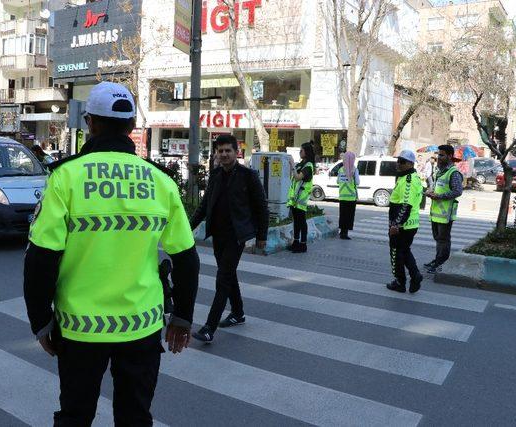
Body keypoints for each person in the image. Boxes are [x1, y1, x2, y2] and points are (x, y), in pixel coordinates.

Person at [23, 82, 200, 426]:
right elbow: (186, 258)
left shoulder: (66, 177)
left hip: (79, 329)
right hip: (142, 326)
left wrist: (40, 321)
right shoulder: (160, 181)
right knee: (135, 417)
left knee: (75, 416)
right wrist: (183, 316)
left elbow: (40, 257)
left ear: (90, 123)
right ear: (132, 126)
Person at [190, 135, 268, 343]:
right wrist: (188, 227)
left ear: (237, 152)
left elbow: (261, 208)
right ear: (216, 153)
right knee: (228, 274)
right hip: (218, 234)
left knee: (222, 279)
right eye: (220, 151)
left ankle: (209, 327)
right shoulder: (215, 174)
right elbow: (205, 206)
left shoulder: (248, 176)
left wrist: (262, 236)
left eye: (228, 151)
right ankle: (238, 313)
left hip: (237, 236)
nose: (224, 154)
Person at [386, 150, 424, 293]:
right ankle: (415, 276)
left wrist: (396, 225)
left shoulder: (408, 180)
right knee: (404, 252)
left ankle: (400, 282)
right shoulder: (406, 177)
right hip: (408, 224)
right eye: (398, 160)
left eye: (402, 162)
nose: (398, 164)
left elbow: (405, 206)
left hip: (404, 225)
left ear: (410, 163)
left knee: (396, 253)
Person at [424, 144, 463, 274]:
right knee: (438, 239)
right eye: (438, 155)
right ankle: (437, 260)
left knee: (443, 240)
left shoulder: (454, 173)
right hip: (436, 213)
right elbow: (438, 188)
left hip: (445, 214)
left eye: (441, 155)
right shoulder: (440, 171)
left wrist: (439, 196)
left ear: (450, 156)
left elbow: (457, 191)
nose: (438, 157)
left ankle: (441, 263)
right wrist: (431, 192)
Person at [286, 141, 316, 253]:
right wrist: (291, 166)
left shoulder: (308, 166)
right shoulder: (301, 164)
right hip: (295, 198)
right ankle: (296, 242)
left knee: (301, 222)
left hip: (301, 199)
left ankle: (303, 245)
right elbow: (292, 176)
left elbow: (298, 177)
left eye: (301, 150)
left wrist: (293, 165)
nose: (300, 152)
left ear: (306, 152)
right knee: (296, 222)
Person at [338, 151, 359, 239]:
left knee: (342, 215)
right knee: (349, 216)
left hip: (342, 196)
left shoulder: (340, 170)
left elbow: (337, 181)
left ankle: (342, 232)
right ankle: (345, 234)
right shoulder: (354, 170)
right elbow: (357, 182)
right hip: (351, 197)